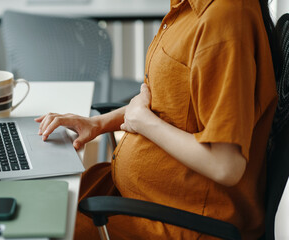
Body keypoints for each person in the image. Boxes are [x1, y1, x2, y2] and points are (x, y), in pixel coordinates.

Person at [35, 0, 281, 238]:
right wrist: (97, 124)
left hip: (184, 219)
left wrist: (144, 123)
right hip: (143, 197)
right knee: (40, 202)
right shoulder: (186, 8)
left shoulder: (223, 21)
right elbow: (167, 104)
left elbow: (226, 165)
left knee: (45, 229)